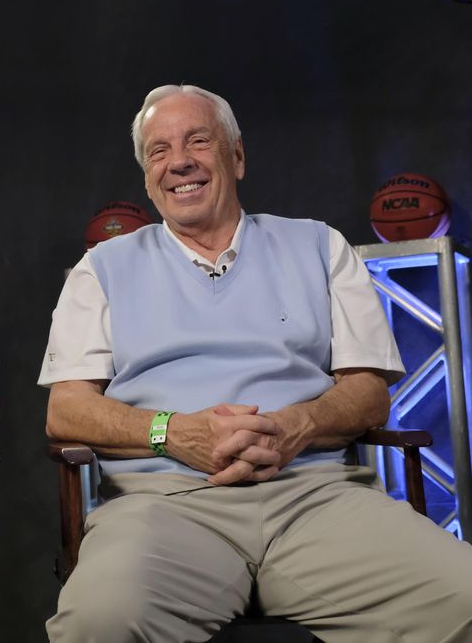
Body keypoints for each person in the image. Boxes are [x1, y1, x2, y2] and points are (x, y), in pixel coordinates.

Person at [39, 84, 472, 642]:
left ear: (237, 156)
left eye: (198, 141)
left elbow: (368, 392)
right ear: (147, 177)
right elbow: (67, 410)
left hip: (315, 498)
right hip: (164, 508)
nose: (179, 162)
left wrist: (298, 425)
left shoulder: (320, 246)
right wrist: (174, 433)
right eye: (159, 151)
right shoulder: (101, 268)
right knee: (98, 622)